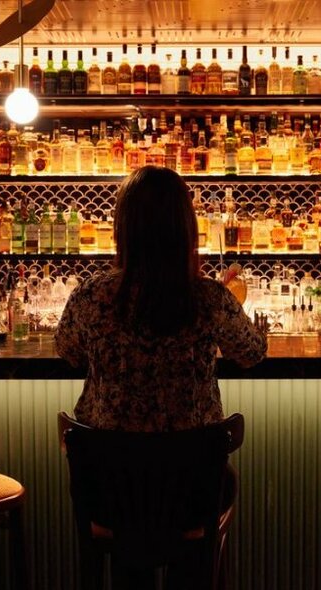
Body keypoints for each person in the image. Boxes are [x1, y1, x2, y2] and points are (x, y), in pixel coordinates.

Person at [55, 165, 267, 432]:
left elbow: (67, 350)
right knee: (223, 476)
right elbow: (252, 353)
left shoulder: (90, 295)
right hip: (193, 463)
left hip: (108, 464)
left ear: (122, 228)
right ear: (186, 227)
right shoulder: (211, 297)